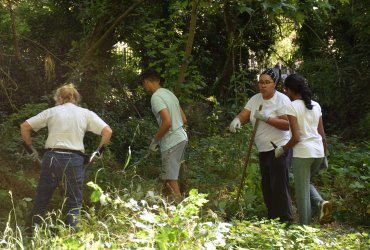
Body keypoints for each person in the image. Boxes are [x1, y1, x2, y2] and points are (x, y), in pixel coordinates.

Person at [20, 83, 112, 230]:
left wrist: (30, 149)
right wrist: (99, 151)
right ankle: (72, 234)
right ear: (75, 98)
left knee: (42, 196)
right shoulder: (85, 113)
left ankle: (32, 232)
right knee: (74, 200)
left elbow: (24, 126)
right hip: (75, 159)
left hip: (52, 157)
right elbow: (107, 131)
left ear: (59, 98)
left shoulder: (51, 112)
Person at [229, 68, 293, 223]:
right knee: (267, 185)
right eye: (261, 82)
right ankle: (272, 219)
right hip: (263, 149)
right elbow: (245, 115)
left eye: (267, 82)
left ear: (275, 84)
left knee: (279, 185)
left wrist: (266, 118)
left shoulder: (282, 100)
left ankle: (285, 221)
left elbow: (288, 125)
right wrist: (237, 120)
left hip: (280, 148)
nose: (263, 86)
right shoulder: (255, 99)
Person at [275, 74, 332, 225]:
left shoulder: (292, 107)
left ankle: (305, 229)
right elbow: (322, 134)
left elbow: (296, 138)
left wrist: (283, 149)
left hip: (303, 154)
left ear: (289, 90)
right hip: (318, 152)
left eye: (285, 89)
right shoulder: (316, 105)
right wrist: (325, 155)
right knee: (306, 184)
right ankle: (320, 204)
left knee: (302, 195)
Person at [140, 69, 188, 200]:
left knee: (169, 180)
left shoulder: (155, 97)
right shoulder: (169, 93)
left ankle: (181, 211)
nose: (144, 88)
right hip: (182, 137)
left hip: (172, 141)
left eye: (144, 85)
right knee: (167, 177)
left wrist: (155, 140)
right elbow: (183, 119)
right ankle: (162, 204)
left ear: (146, 82)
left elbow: (167, 122)